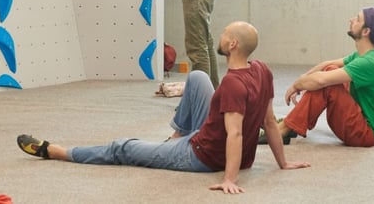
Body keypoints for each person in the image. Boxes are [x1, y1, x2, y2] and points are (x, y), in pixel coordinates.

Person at [16, 21, 310, 194]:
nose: (220, 36)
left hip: (201, 155)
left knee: (124, 148)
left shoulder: (233, 83)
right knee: (198, 77)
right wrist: (282, 163)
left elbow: (235, 134)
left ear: (232, 45)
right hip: (213, 136)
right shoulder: (261, 69)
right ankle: (176, 136)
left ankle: (58, 152)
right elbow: (269, 122)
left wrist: (229, 179)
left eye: (224, 33)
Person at [268, 7, 374, 148]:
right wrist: (301, 80)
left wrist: (298, 85)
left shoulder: (369, 62)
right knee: (330, 70)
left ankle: (284, 129)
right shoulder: (364, 55)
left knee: (328, 84)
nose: (351, 20)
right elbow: (327, 64)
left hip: (366, 135)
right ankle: (289, 125)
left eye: (357, 19)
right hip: (360, 124)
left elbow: (321, 80)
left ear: (365, 31)